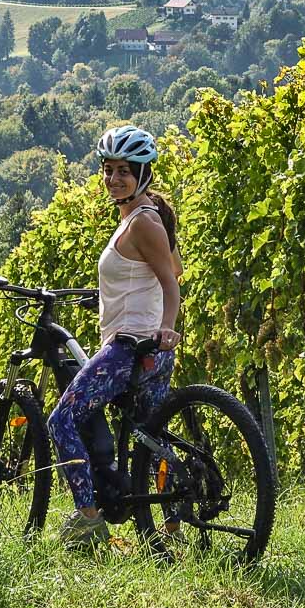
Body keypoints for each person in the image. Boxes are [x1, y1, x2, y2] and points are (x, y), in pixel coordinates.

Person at [47, 125, 182, 547]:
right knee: (152, 439)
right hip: (149, 350)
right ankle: (172, 527)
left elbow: (170, 282)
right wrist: (112, 295)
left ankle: (88, 518)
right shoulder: (143, 216)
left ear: (143, 173)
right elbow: (159, 271)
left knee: (62, 420)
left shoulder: (142, 223)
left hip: (129, 347)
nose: (113, 179)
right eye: (108, 170)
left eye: (124, 170)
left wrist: (167, 324)